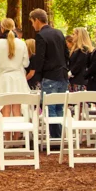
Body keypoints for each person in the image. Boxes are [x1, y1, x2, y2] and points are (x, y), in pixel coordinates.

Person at [28, 9, 69, 139]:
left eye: (32, 22)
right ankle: (60, 137)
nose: (32, 25)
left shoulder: (41, 36)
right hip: (62, 75)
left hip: (50, 76)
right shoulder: (59, 33)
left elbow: (40, 58)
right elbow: (66, 54)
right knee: (59, 107)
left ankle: (55, 138)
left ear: (37, 20)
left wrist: (37, 77)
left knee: (50, 107)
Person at [0, 18, 29, 120]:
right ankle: (16, 135)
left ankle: (7, 136)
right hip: (19, 79)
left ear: (2, 28)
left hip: (4, 79)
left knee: (5, 109)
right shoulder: (22, 43)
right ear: (14, 28)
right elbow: (26, 64)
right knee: (17, 109)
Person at [68, 28, 92, 92]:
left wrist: (70, 73)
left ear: (79, 35)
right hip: (73, 80)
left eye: (74, 34)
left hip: (80, 81)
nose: (72, 36)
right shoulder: (75, 49)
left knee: (78, 101)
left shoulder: (84, 49)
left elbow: (79, 63)